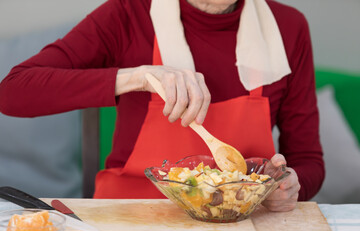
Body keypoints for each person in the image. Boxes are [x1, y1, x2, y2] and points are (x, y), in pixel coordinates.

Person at [0, 0, 324, 212]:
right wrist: (137, 77)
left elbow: (307, 160)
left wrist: (290, 186)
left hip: (239, 221)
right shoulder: (128, 13)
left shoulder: (288, 27)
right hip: (130, 215)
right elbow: (14, 91)